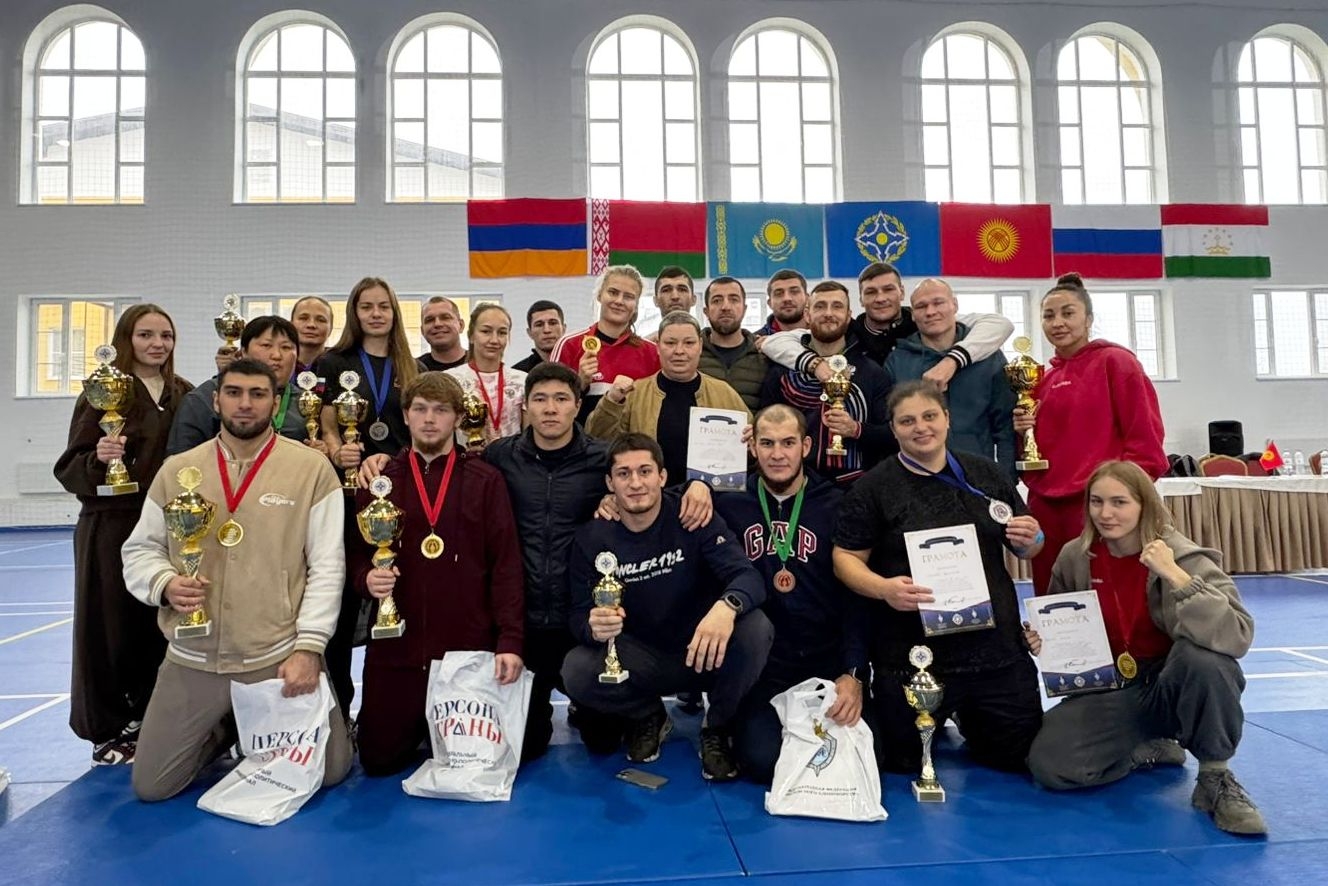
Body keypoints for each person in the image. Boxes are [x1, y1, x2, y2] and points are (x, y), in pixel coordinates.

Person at [121, 358, 350, 801]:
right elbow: (140, 549)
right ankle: (224, 728)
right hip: (193, 655)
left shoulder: (311, 469)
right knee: (153, 786)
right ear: (216, 400)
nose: (245, 404)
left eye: (257, 394)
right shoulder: (177, 470)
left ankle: (245, 724)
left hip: (274, 654)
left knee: (331, 770)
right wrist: (164, 583)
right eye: (234, 393)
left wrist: (308, 649)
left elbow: (327, 565)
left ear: (275, 404)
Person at [1025, 461, 1264, 834]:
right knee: (1051, 765)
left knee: (1207, 660)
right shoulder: (1075, 557)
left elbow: (1237, 635)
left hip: (1176, 683)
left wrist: (1177, 577)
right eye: (1097, 502)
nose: (1106, 513)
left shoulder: (1183, 556)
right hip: (1118, 689)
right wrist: (1045, 641)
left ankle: (1215, 777)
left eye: (1119, 502)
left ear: (1145, 505)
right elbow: (1064, 631)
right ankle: (1148, 747)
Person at [833, 380, 1045, 775]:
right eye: (907, 421)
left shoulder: (986, 474)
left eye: (929, 416)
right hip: (913, 656)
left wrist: (1032, 538)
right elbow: (844, 558)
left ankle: (971, 716)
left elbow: (1028, 546)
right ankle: (949, 713)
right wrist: (883, 589)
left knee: (1016, 757)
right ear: (893, 429)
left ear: (947, 419)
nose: (921, 427)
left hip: (994, 653)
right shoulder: (873, 488)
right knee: (903, 762)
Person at [561, 434, 773, 781]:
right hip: (641, 658)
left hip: (703, 651)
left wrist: (726, 606)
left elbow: (748, 577)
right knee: (576, 669)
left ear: (662, 476)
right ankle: (648, 714)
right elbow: (577, 614)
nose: (635, 483)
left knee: (756, 628)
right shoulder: (592, 537)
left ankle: (716, 727)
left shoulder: (692, 516)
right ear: (609, 483)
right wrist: (592, 626)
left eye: (645, 471)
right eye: (624, 474)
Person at [349, 372, 524, 776]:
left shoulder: (485, 480)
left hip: (466, 650)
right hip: (398, 648)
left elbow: (506, 566)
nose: (430, 419)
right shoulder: (379, 482)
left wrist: (510, 641)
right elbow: (356, 556)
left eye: (441, 410)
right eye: (421, 409)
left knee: (477, 764)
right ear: (405, 416)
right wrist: (366, 579)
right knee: (378, 760)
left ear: (458, 418)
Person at [53, 304, 194, 766]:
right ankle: (107, 730)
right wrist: (99, 457)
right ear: (125, 340)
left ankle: (153, 719)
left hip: (170, 527)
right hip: (111, 524)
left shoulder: (182, 392)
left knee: (159, 626)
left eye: (166, 336)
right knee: (109, 628)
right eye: (146, 335)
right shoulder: (101, 393)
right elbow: (69, 467)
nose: (158, 344)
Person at [715, 405, 868, 784]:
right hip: (764, 669)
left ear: (806, 446)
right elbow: (663, 504)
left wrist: (853, 673)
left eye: (787, 443)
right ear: (752, 447)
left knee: (868, 757)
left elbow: (855, 598)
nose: (777, 454)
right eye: (767, 443)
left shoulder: (836, 504)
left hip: (825, 662)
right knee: (762, 762)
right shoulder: (730, 502)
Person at [481, 363, 617, 761]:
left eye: (561, 399)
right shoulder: (499, 457)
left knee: (605, 741)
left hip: (579, 620)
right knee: (525, 747)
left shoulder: (603, 459)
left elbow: (648, 491)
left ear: (577, 405)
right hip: (523, 622)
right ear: (525, 406)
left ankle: (631, 711)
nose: (550, 408)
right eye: (540, 399)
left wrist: (616, 500)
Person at [1016, 273, 1168, 594]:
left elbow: (1145, 441)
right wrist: (1022, 430)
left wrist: (1120, 500)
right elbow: (1039, 449)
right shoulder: (1041, 379)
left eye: (1068, 313)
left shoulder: (1117, 362)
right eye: (1048, 315)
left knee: (1105, 596)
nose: (1058, 322)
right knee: (1053, 597)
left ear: (1088, 319)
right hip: (1046, 507)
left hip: (1096, 505)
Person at [318, 277, 420, 717]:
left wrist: (394, 464)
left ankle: (393, 705)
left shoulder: (411, 365)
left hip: (398, 495)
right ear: (354, 313)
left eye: (383, 306)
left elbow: (419, 431)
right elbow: (325, 424)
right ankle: (339, 709)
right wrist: (337, 451)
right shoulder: (332, 362)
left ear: (394, 313)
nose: (376, 314)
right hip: (347, 493)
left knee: (397, 595)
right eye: (366, 307)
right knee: (343, 605)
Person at [586, 312, 750, 485]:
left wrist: (751, 438)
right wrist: (611, 402)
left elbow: (752, 444)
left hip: (711, 494)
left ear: (700, 346)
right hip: (647, 495)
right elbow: (597, 441)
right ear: (658, 346)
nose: (679, 351)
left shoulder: (723, 393)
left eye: (689, 343)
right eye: (670, 343)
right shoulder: (634, 393)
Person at [759, 281, 892, 484]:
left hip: (855, 486)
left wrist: (856, 429)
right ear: (807, 315)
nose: (828, 313)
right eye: (820, 306)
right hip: (796, 486)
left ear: (848, 316)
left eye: (837, 306)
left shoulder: (872, 373)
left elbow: (892, 435)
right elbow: (764, 426)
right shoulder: (782, 372)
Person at [886, 279, 1017, 479]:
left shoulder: (989, 356)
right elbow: (891, 426)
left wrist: (1007, 478)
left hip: (978, 477)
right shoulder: (897, 361)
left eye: (938, 302)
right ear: (912, 314)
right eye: (921, 306)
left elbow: (1005, 426)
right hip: (917, 479)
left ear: (954, 305)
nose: (930, 312)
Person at [167, 316, 314, 455]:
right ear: (244, 352)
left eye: (286, 347)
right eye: (266, 345)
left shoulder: (307, 401)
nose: (276, 355)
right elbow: (182, 459)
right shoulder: (202, 399)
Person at [551, 265, 660, 423]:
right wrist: (579, 384)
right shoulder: (569, 345)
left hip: (633, 438)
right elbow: (550, 406)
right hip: (581, 438)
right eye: (613, 292)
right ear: (599, 295)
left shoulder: (652, 353)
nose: (619, 301)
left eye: (628, 297)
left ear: (636, 305)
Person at [445, 303, 527, 446]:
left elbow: (529, 435)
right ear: (471, 336)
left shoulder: (522, 380)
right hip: (465, 457)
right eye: (486, 331)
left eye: (502, 333)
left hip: (512, 458)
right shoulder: (451, 380)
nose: (494, 340)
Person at [698, 276, 768, 412]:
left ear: (744, 309)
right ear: (706, 311)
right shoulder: (692, 353)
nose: (725, 307)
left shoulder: (764, 354)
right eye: (717, 301)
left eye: (734, 299)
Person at [512, 300, 566, 372]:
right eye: (539, 325)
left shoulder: (579, 366)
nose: (547, 330)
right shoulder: (518, 373)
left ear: (564, 329)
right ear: (529, 333)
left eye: (553, 323)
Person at [417, 296, 468, 371]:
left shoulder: (482, 365)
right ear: (422, 331)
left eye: (445, 317)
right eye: (429, 320)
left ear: (461, 325)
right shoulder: (411, 370)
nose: (437, 324)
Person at [645, 266, 696, 342]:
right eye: (666, 290)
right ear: (655, 301)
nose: (675, 296)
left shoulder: (706, 345)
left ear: (693, 299)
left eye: (682, 290)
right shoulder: (645, 347)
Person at [291, 295, 334, 380]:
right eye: (303, 318)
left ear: (331, 328)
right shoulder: (277, 365)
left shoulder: (341, 365)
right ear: (291, 324)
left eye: (321, 320)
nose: (311, 325)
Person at [755, 269, 809, 336]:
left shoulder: (821, 336)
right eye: (779, 294)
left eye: (794, 292)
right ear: (770, 303)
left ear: (807, 299)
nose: (787, 298)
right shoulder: (754, 341)